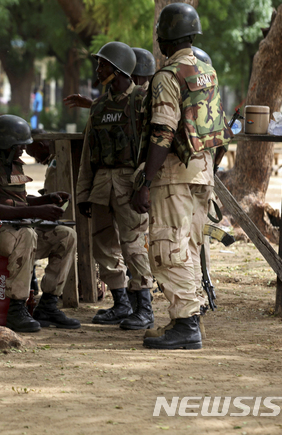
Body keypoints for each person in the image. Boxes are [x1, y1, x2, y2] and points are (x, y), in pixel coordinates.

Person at [131, 3, 231, 350]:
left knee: (167, 247)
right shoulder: (206, 71)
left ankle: (187, 324)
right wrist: (210, 172)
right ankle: (182, 317)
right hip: (203, 172)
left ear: (163, 37)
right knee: (186, 246)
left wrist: (145, 181)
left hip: (173, 174)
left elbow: (162, 132)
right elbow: (217, 128)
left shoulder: (167, 76)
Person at [0, 114, 80, 333]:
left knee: (65, 235)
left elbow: (18, 200)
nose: (23, 150)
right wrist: (36, 210)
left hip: (10, 231)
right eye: (20, 146)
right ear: (7, 144)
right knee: (26, 235)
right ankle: (16, 308)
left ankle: (49, 304)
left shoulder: (9, 162)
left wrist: (46, 199)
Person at [76, 41, 154, 330]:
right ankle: (121, 303)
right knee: (104, 246)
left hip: (129, 183)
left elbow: (151, 147)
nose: (98, 70)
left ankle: (144, 307)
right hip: (101, 185)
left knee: (134, 246)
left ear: (118, 70)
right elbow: (87, 154)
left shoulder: (140, 103)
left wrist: (145, 185)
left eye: (103, 65)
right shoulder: (97, 108)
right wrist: (83, 193)